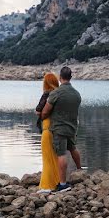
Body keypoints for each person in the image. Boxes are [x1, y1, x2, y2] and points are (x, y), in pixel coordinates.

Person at [40, 65, 81, 193]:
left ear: (60, 77)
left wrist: (42, 116)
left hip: (59, 128)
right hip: (72, 127)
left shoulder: (56, 93)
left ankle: (62, 184)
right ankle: (80, 170)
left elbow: (46, 111)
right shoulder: (76, 94)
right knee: (73, 148)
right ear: (71, 77)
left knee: (61, 154)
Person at [35, 72, 61, 193]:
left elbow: (38, 111)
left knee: (47, 158)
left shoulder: (47, 94)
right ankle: (57, 182)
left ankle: (46, 185)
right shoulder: (60, 94)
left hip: (47, 128)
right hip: (58, 129)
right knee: (55, 157)